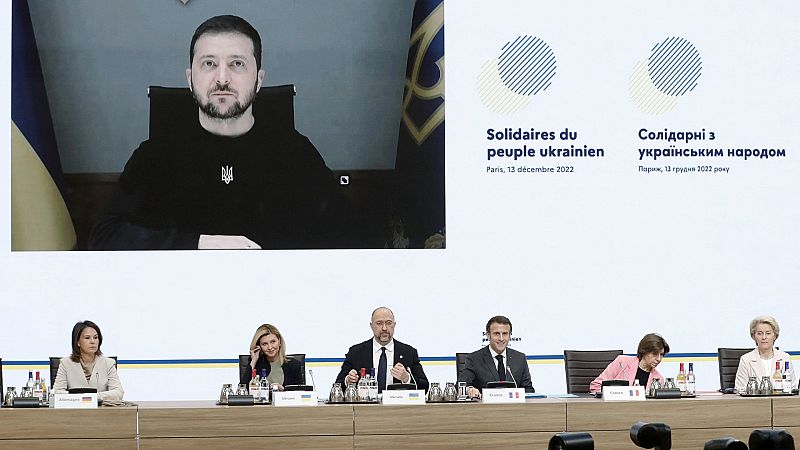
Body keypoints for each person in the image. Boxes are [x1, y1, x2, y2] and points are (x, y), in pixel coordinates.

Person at [89, 15, 346, 250]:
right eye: (209, 63)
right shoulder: (156, 154)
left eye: (237, 64)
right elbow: (104, 239)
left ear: (259, 80)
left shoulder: (295, 152)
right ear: (190, 79)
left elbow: (348, 235)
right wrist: (198, 245)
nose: (222, 79)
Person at [335, 307, 429, 392]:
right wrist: (348, 380)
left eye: (388, 323)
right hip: (366, 409)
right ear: (371, 326)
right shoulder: (356, 352)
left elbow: (425, 386)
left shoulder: (408, 352)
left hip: (398, 408)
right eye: (379, 323)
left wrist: (406, 378)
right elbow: (337, 386)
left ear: (394, 325)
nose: (384, 328)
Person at [457, 316, 534, 398]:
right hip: (484, 409)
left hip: (514, 409)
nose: (501, 338)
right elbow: (460, 385)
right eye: (496, 334)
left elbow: (528, 390)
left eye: (505, 334)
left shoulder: (519, 358)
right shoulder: (474, 358)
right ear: (488, 335)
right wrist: (470, 389)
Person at [52, 320, 124, 401]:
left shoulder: (108, 363)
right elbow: (56, 392)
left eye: (95, 337)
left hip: (101, 411)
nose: (92, 341)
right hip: (75, 411)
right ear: (78, 342)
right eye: (87, 338)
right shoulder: (66, 363)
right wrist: (79, 398)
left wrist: (94, 397)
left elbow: (118, 392)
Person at [734, 315, 795, 393]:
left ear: (775, 336)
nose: (764, 337)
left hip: (780, 403)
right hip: (754, 403)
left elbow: (792, 387)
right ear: (753, 336)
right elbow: (740, 389)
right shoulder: (746, 359)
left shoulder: (785, 358)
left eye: (768, 333)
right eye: (759, 333)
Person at [589, 333, 669, 393]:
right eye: (654, 354)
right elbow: (595, 386)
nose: (659, 359)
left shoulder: (659, 379)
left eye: (661, 355)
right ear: (644, 351)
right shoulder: (622, 362)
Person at [240, 323, 303, 390]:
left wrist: (283, 390)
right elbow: (242, 390)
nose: (270, 347)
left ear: (279, 342)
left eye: (273, 342)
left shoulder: (294, 365)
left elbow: (300, 394)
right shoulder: (256, 363)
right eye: (265, 344)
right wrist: (254, 361)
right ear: (259, 346)